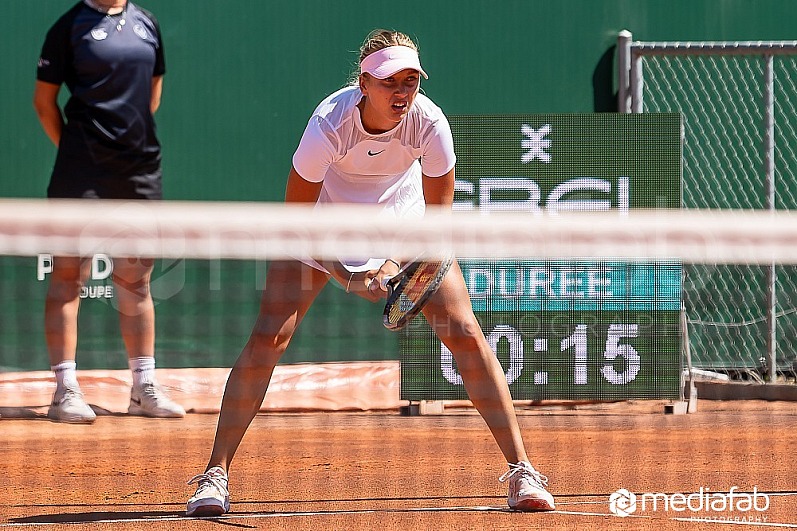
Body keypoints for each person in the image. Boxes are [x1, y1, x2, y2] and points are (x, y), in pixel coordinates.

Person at [185, 29, 554, 515]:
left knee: (465, 331)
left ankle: (521, 471)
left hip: (402, 223)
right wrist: (343, 273)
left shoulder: (430, 123)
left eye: (410, 81)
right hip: (322, 223)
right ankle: (215, 476)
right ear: (364, 83)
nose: (401, 92)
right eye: (389, 82)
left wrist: (395, 262)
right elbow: (295, 217)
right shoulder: (327, 125)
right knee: (269, 335)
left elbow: (438, 213)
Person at [33, 0, 184, 423]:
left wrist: (122, 146)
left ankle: (143, 388)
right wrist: (78, 151)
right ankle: (65, 390)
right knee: (67, 275)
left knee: (136, 279)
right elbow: (44, 101)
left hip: (138, 171)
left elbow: (151, 93)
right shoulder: (69, 26)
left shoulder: (146, 23)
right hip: (79, 173)